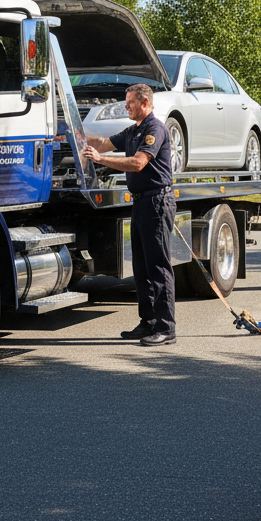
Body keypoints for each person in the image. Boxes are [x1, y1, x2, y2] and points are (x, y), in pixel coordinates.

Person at [82, 83, 177, 346]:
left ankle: (166, 328)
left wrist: (99, 160)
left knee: (158, 266)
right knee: (141, 267)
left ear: (144, 103)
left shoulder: (154, 128)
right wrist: (71, 138)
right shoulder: (133, 130)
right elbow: (102, 143)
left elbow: (138, 163)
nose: (126, 106)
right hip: (140, 203)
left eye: (130, 102)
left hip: (157, 202)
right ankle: (148, 323)